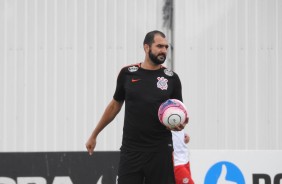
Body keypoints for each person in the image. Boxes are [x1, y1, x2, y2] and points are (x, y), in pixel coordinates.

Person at [85, 30, 187, 184]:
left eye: (166, 47)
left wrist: (180, 128)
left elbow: (178, 112)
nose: (164, 51)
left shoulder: (172, 78)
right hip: (131, 151)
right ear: (146, 47)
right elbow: (114, 106)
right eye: (159, 46)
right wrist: (94, 134)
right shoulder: (128, 74)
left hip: (160, 151)